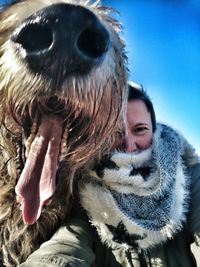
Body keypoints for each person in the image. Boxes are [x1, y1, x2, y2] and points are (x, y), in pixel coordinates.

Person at [19, 83, 200, 267]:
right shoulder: (87, 186)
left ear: (154, 131)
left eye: (140, 129)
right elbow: (66, 246)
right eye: (116, 133)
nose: (129, 145)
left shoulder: (190, 175)